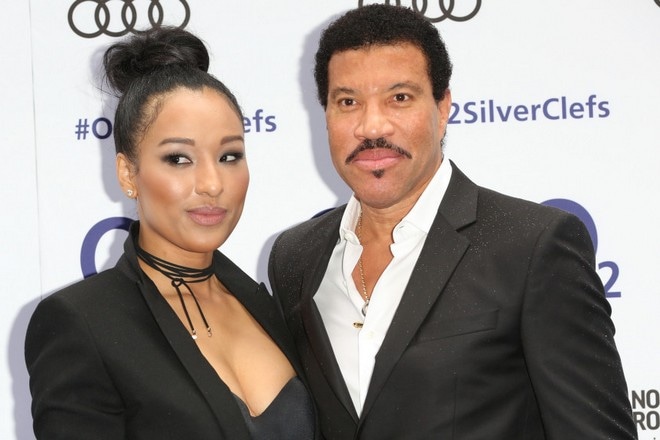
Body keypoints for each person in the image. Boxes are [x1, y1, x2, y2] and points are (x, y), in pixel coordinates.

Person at [268, 4, 637, 439]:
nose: (372, 126)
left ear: (442, 107)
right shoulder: (294, 258)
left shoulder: (533, 246)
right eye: (348, 102)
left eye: (399, 98)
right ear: (326, 114)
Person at [25, 27, 315, 440]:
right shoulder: (82, 322)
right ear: (128, 174)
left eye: (229, 155)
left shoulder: (268, 303)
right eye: (178, 158)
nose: (212, 183)